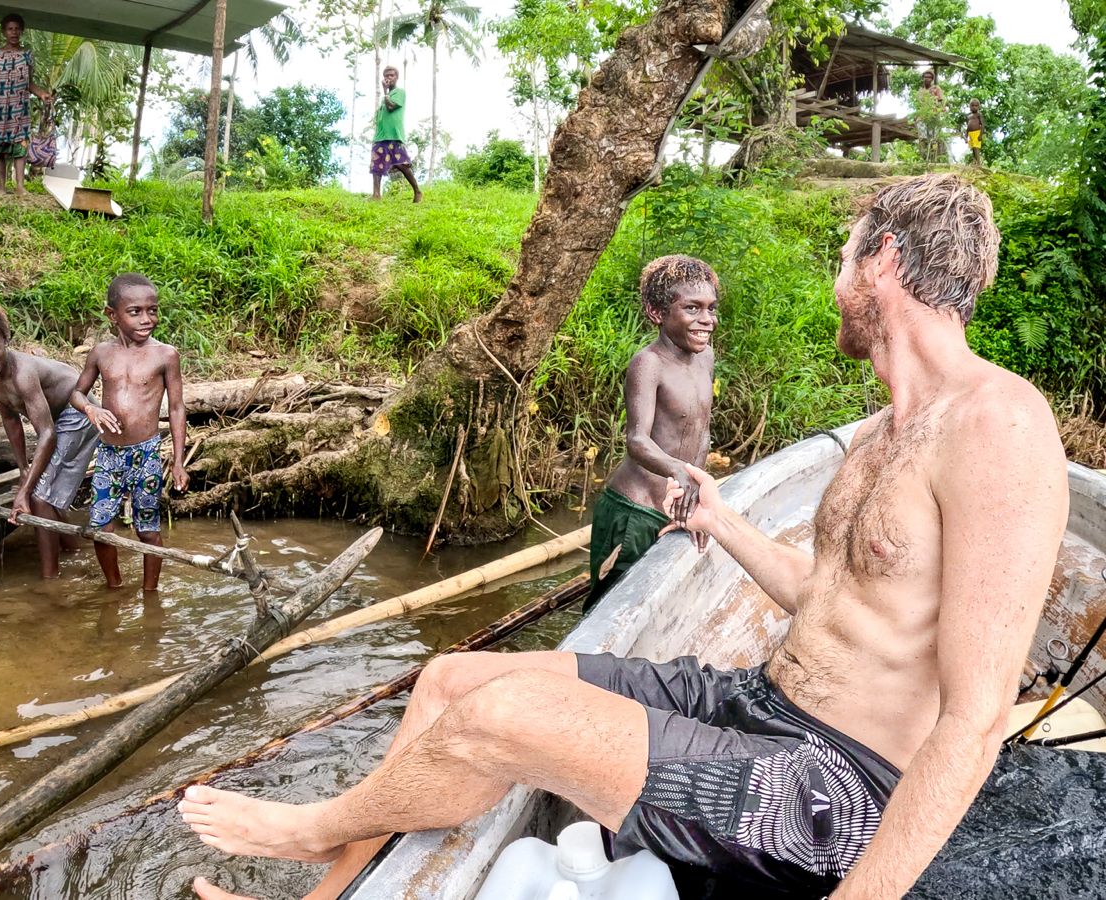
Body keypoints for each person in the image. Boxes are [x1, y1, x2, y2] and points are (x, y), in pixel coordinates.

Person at [179, 173, 1068, 900]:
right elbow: (827, 597)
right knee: (452, 679)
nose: (834, 282)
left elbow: (978, 716)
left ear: (880, 259)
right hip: (756, 705)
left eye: (842, 258)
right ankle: (321, 898)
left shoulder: (1000, 425)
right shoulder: (881, 431)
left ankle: (310, 830)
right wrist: (721, 520)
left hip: (827, 788)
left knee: (500, 718)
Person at [588, 255, 718, 606]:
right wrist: (677, 469)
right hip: (634, 511)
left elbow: (699, 434)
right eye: (692, 309)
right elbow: (637, 440)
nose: (706, 320)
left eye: (711, 309)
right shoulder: (649, 364)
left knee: (652, 600)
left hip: (671, 506)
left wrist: (694, 501)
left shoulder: (705, 358)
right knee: (610, 605)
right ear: (657, 313)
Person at [0, 300, 99, 578]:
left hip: (79, 414)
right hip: (57, 423)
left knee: (39, 496)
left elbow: (48, 434)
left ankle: (50, 578)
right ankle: (72, 550)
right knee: (41, 486)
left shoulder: (23, 374)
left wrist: (23, 491)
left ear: (5, 339)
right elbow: (11, 420)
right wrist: (22, 469)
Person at [71, 273, 190, 592]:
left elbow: (177, 408)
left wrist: (178, 462)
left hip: (146, 455)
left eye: (152, 310)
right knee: (100, 528)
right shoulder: (101, 353)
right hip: (108, 455)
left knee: (147, 530)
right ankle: (115, 588)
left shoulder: (165, 355)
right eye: (135, 311)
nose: (147, 318)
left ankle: (151, 595)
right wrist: (91, 409)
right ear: (112, 315)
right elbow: (77, 393)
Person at [0, 13, 52, 195]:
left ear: (21, 31)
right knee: (0, 148)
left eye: (17, 29)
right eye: (10, 29)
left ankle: (20, 186)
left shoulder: (27, 55)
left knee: (20, 146)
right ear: (4, 32)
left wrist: (42, 94)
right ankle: (1, 187)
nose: (14, 32)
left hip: (20, 108)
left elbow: (29, 83)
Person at [371, 66, 422, 203]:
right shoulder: (384, 99)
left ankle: (417, 191)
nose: (388, 78)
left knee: (402, 164)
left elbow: (391, 106)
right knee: (376, 164)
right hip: (381, 136)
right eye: (386, 75)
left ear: (396, 77)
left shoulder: (400, 92)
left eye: (391, 75)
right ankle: (376, 194)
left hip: (395, 135)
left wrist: (385, 92)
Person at [966, 99, 985, 167]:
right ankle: (975, 162)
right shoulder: (968, 116)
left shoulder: (979, 115)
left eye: (976, 106)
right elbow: (968, 127)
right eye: (972, 105)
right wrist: (966, 136)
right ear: (970, 106)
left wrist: (980, 135)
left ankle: (979, 164)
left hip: (977, 133)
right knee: (973, 148)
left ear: (979, 107)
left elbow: (982, 125)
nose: (974, 107)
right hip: (970, 134)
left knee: (976, 148)